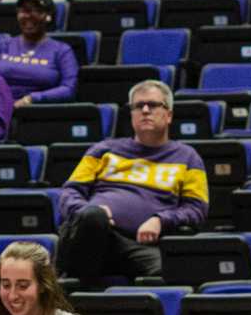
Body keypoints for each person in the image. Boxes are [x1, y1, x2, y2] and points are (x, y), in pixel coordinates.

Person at [54, 79, 210, 285]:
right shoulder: (103, 150)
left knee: (169, 273)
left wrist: (161, 220)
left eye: (153, 105)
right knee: (92, 217)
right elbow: (69, 193)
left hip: (140, 246)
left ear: (169, 115)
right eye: (138, 106)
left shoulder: (187, 157)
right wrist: (90, 210)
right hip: (93, 235)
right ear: (131, 114)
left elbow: (197, 209)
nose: (145, 110)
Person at [0, 0, 78, 105]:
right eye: (23, 11)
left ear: (48, 15)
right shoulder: (2, 45)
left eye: (36, 11)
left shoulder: (62, 50)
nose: (28, 16)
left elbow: (69, 89)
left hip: (38, 114)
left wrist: (32, 98)